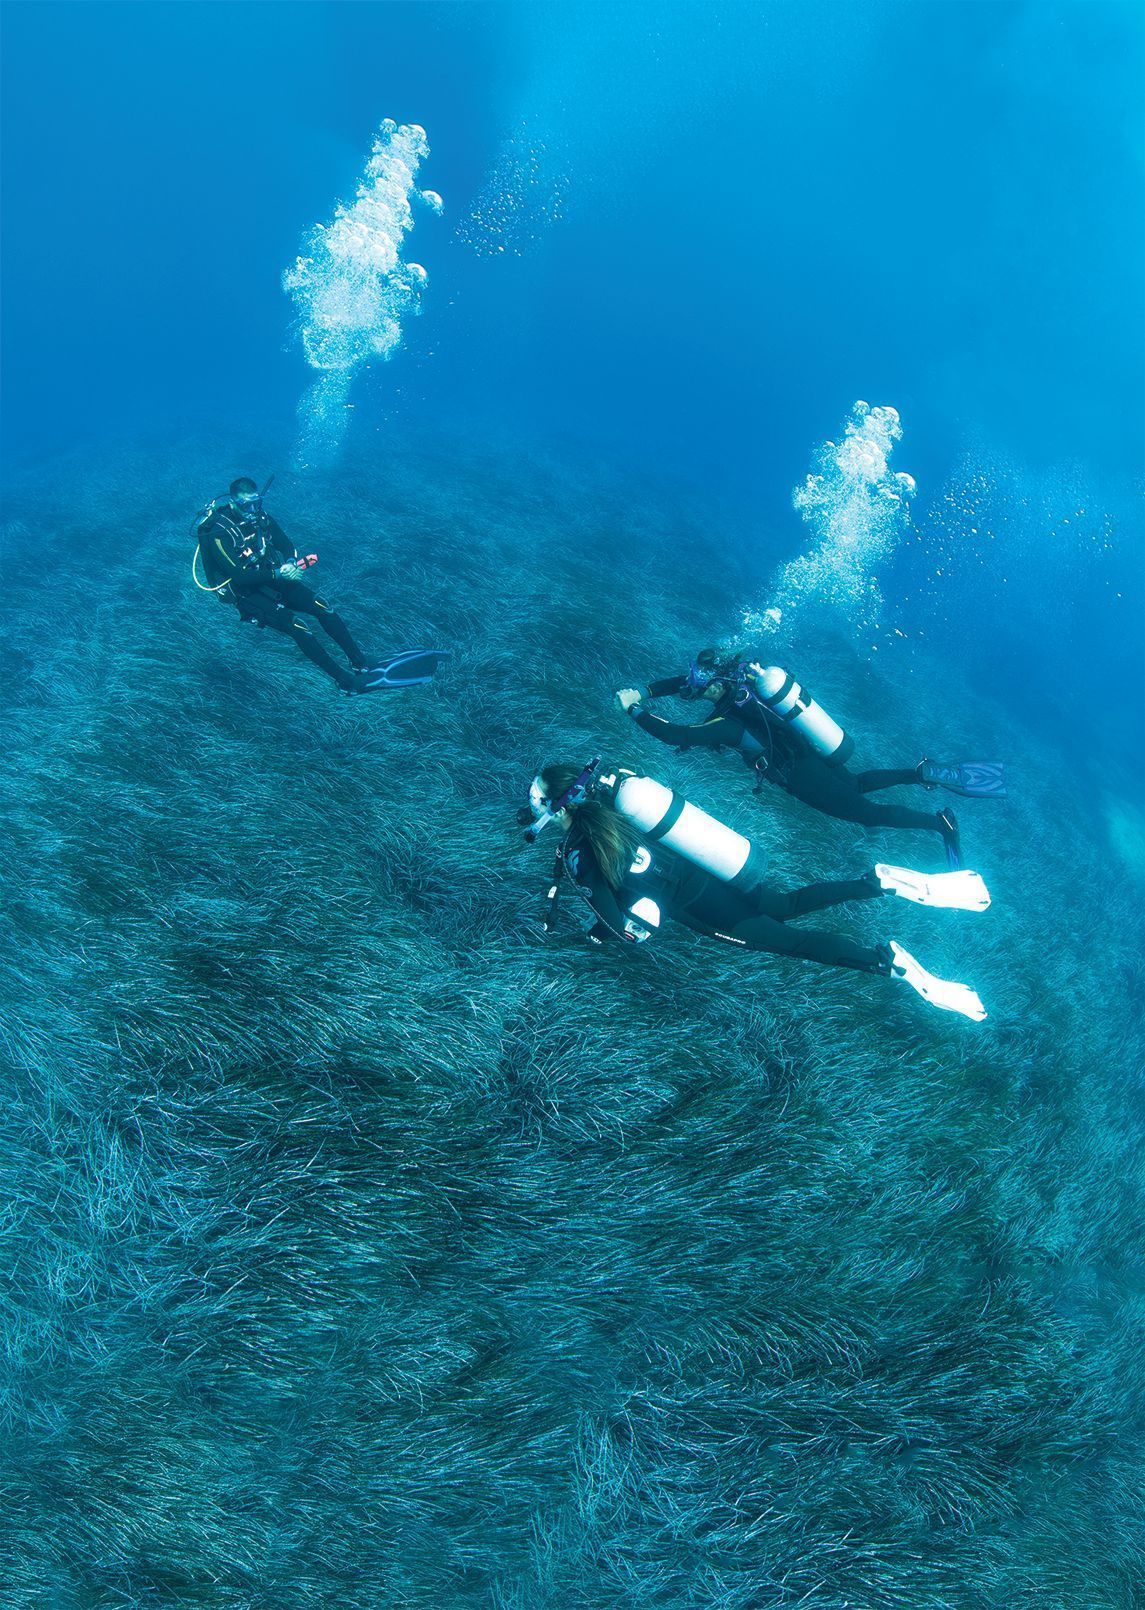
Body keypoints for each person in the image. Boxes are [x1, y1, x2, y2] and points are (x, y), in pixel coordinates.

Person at [520, 761, 989, 1020]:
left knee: (794, 943)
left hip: (701, 908)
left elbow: (614, 920)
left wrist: (607, 934)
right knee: (784, 905)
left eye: (538, 801)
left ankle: (886, 962)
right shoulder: (610, 807)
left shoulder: (579, 853)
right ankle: (875, 883)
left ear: (558, 806)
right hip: (712, 873)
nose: (534, 808)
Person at [616, 650, 1005, 869]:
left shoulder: (728, 725)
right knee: (855, 784)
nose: (692, 689)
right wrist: (646, 691)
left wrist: (634, 710)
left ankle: (939, 824)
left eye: (699, 687)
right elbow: (681, 683)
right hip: (809, 750)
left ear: (716, 685)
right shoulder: (747, 685)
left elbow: (678, 735)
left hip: (798, 774)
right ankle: (918, 773)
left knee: (868, 814)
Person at [193, 478, 444, 694]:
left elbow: (285, 544)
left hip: (273, 578)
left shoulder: (261, 517)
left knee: (322, 606)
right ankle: (346, 682)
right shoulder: (218, 533)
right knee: (297, 626)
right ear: (233, 503)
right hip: (246, 593)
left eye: (256, 502)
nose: (253, 509)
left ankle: (360, 661)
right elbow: (239, 576)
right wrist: (279, 572)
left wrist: (291, 563)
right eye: (246, 504)